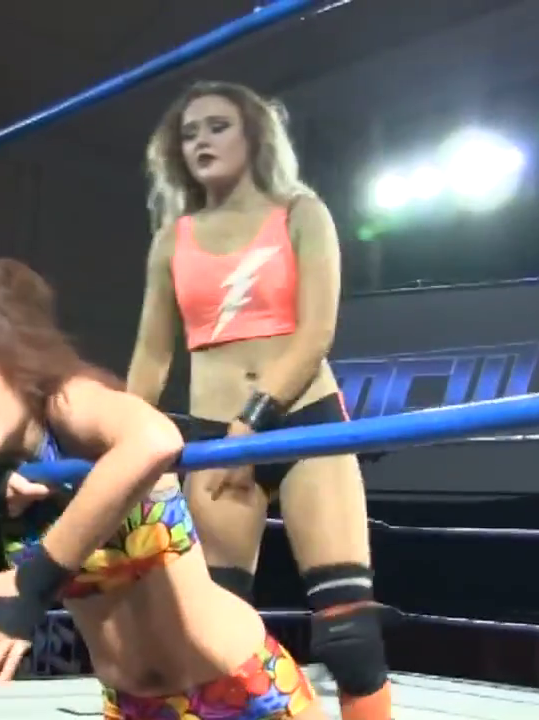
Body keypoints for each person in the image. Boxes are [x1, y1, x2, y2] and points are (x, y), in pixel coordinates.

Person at [0, 258, 322, 719]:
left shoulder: (65, 403)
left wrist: (32, 583)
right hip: (137, 706)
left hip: (242, 688)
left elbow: (155, 439)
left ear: (11, 360)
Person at [125, 81, 393, 720]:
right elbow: (151, 358)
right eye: (189, 133)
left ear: (253, 135)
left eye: (217, 126)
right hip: (216, 441)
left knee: (349, 632)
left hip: (304, 426)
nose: (201, 142)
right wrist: (119, 442)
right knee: (213, 637)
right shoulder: (173, 239)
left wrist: (253, 421)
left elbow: (316, 333)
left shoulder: (301, 213)